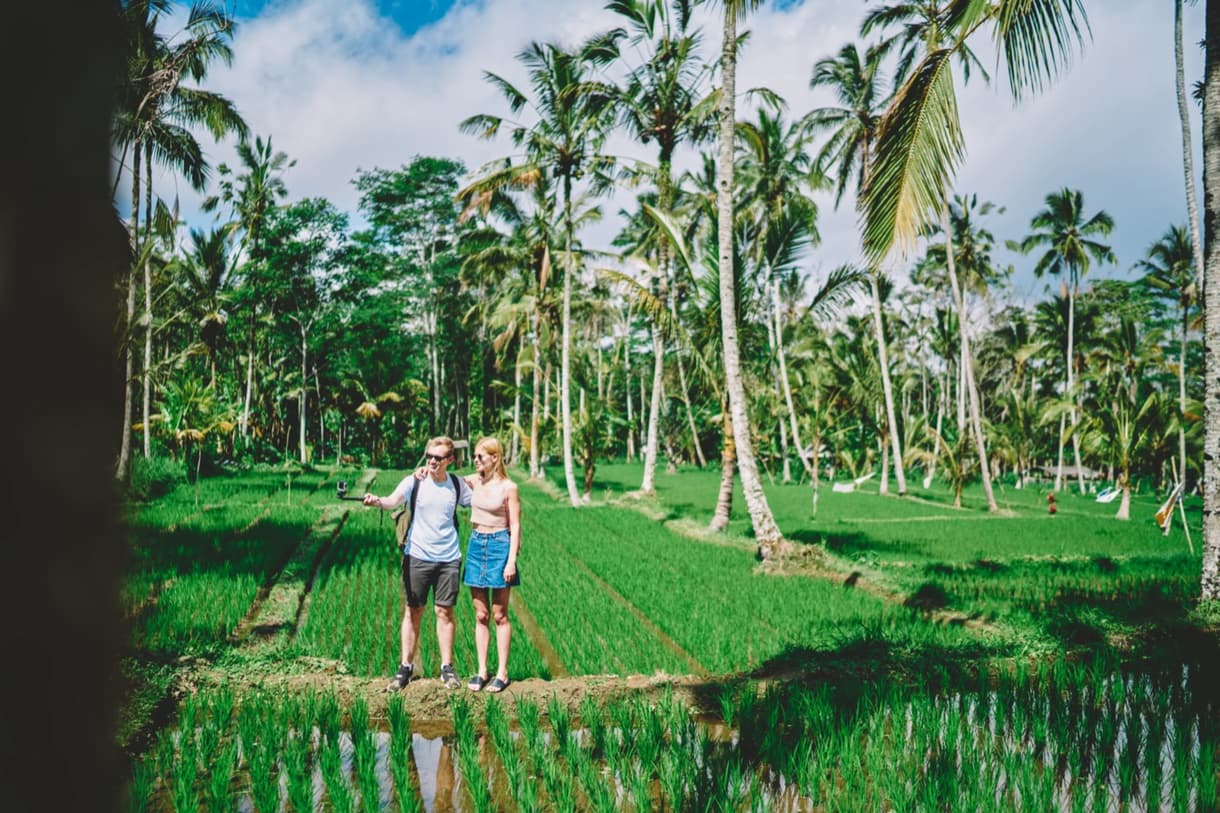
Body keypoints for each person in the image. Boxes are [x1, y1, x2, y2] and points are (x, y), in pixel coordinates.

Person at [363, 436, 471, 691]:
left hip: (449, 559)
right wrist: (376, 500)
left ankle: (447, 668)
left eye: (438, 457)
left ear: (450, 460)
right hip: (417, 557)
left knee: (444, 612)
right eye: (429, 456)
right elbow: (392, 501)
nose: (432, 461)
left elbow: (477, 497)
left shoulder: (457, 484)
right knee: (413, 611)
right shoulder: (415, 481)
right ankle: (405, 667)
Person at [462, 436, 521, 693]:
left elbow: (516, 526)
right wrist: (423, 471)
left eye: (480, 457)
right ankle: (482, 670)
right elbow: (445, 479)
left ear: (495, 458)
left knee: (499, 615)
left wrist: (511, 561)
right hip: (476, 545)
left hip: (499, 545)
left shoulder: (509, 487)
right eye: (474, 457)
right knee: (481, 615)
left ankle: (502, 672)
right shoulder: (474, 480)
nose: (475, 461)